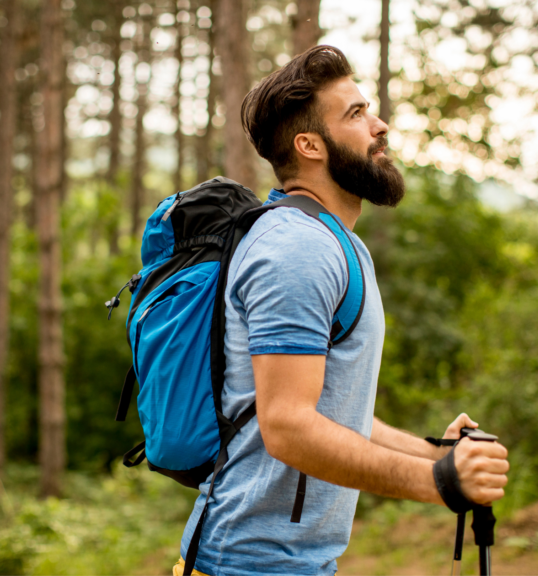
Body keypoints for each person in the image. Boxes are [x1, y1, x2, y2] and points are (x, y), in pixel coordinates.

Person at [172, 45, 510, 576]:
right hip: (246, 564)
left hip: (291, 563)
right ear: (309, 144)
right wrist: (441, 484)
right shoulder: (295, 248)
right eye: (355, 114)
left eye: (368, 108)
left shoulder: (339, 244)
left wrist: (436, 454)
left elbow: (337, 415)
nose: (380, 125)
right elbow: (287, 425)